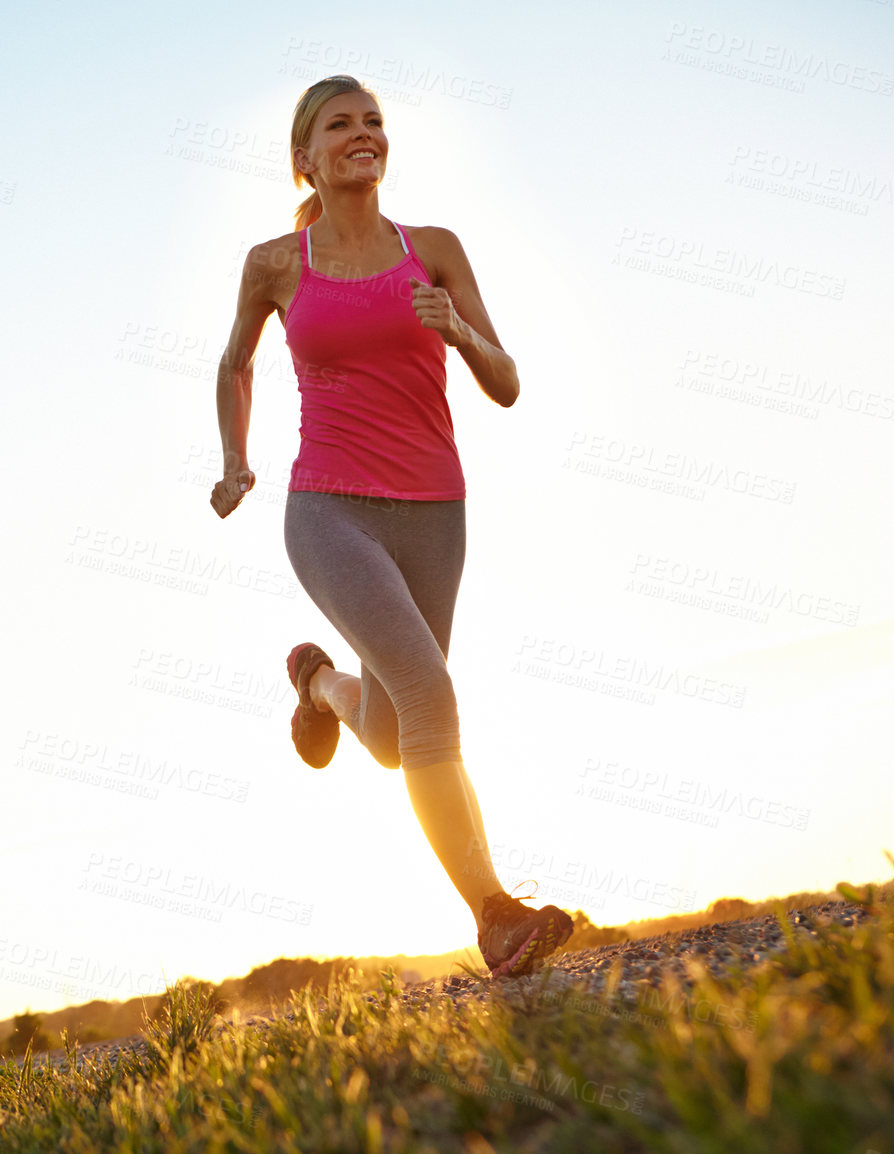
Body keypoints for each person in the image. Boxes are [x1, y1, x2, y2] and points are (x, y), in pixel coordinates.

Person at [208, 75, 574, 978]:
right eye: (341, 125)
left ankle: (319, 684)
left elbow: (506, 379)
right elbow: (235, 364)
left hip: (434, 515)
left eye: (374, 121)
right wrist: (234, 460)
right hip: (327, 508)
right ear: (308, 157)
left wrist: (459, 331)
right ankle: (496, 915)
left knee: (386, 733)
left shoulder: (435, 250)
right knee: (429, 696)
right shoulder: (275, 263)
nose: (362, 134)